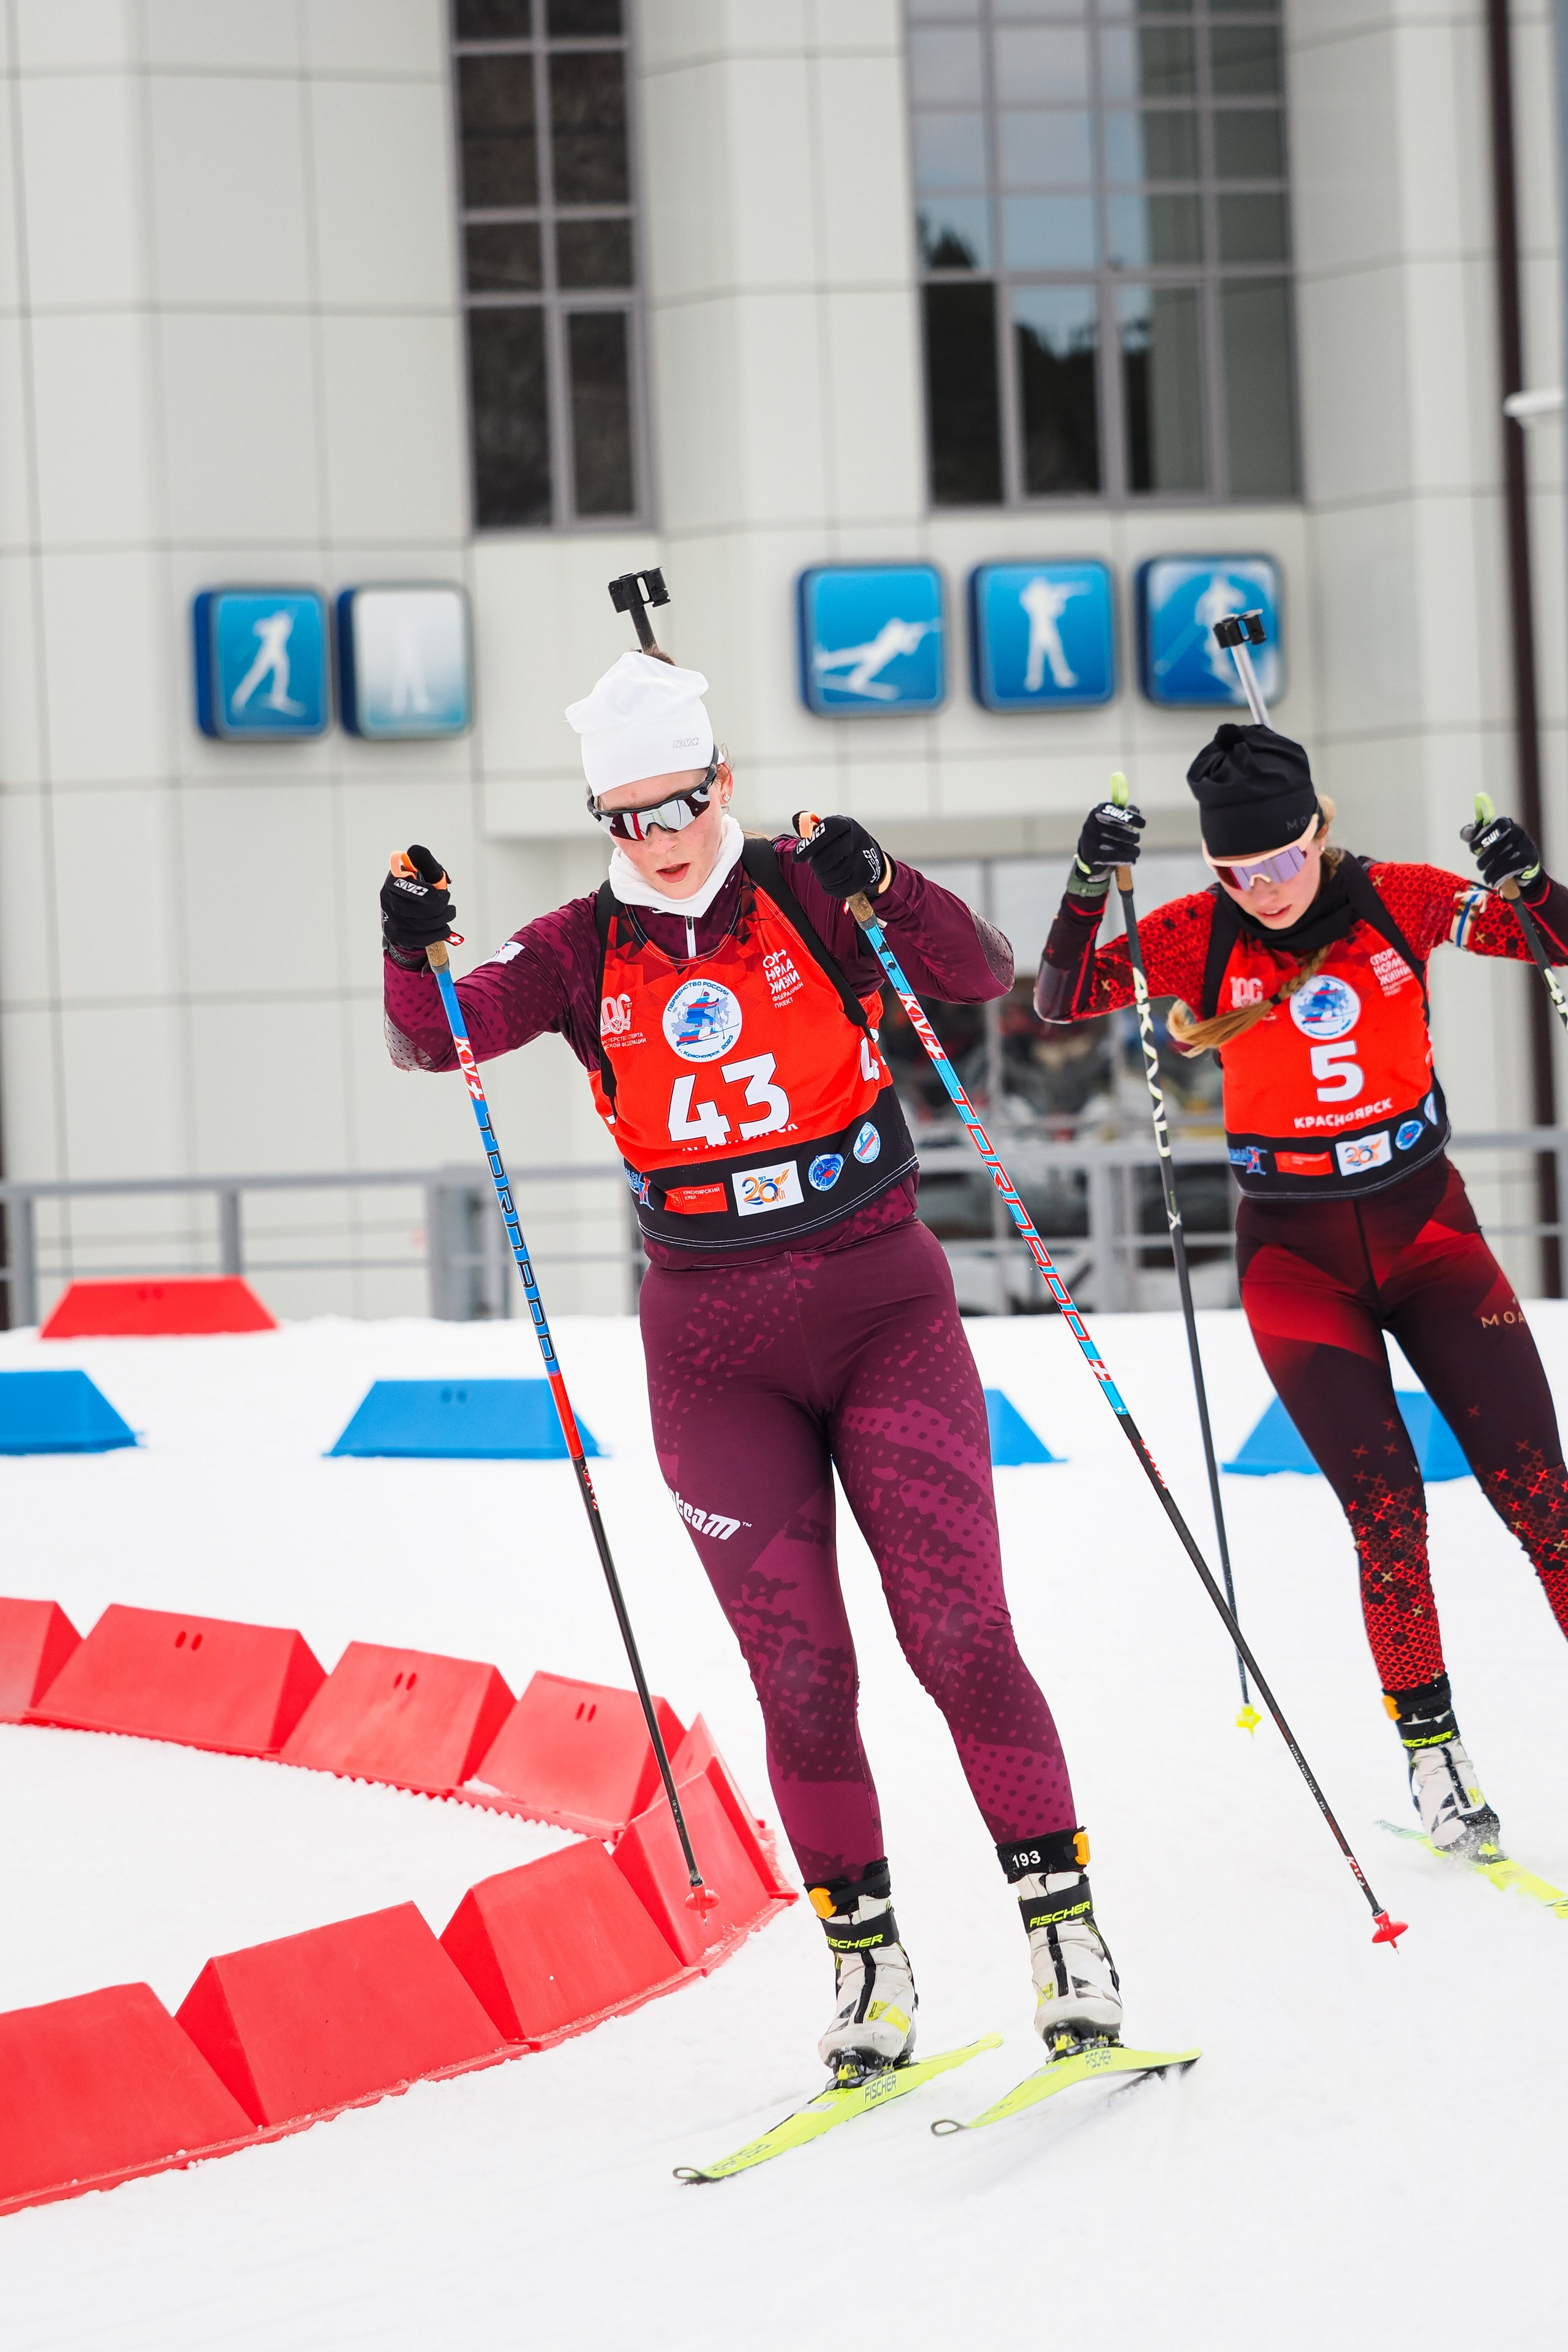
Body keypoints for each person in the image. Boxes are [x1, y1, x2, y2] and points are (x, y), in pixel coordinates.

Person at [381, 646, 1122, 2073]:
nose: (653, 840)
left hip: (878, 1304)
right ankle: (867, 1969)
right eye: (624, 818)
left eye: (675, 805)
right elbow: (440, 1042)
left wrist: (881, 879)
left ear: (721, 783)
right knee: (797, 1673)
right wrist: (408, 943)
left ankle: (1061, 1927)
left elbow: (975, 976)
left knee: (957, 1634)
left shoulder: (798, 886)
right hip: (710, 1341)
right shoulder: (574, 947)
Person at [1036, 722, 1568, 1860]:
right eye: (1238, 872)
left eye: (1281, 862)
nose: (1264, 890)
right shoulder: (1193, 935)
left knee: (1544, 1498)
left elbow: (1559, 940)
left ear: (1320, 830)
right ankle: (1436, 1762)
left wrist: (1525, 878)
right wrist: (1091, 884)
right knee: (1387, 1519)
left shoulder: (1405, 899)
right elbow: (1060, 997)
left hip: (1430, 1234)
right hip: (1296, 1258)